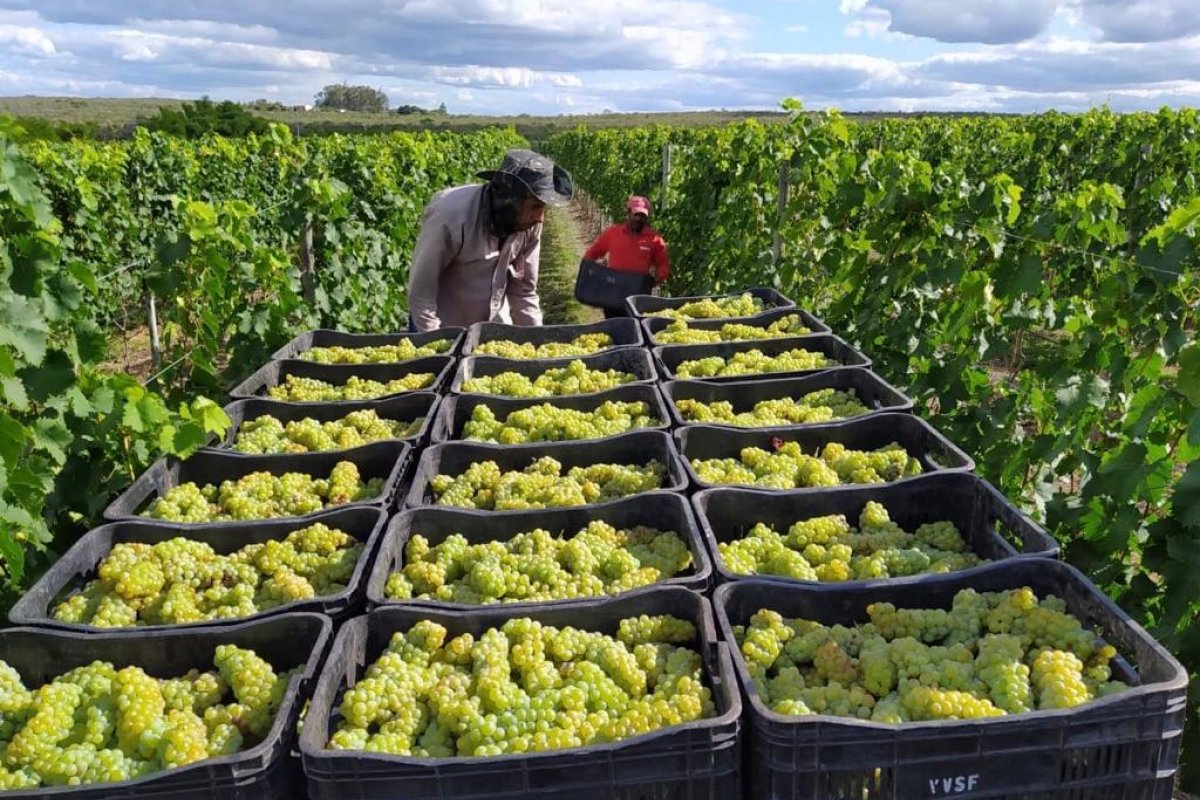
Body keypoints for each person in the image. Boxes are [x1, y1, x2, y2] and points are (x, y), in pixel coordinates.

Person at [407, 148, 574, 331]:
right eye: (536, 206)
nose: (540, 217)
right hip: (442, 326)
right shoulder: (451, 215)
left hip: (490, 329)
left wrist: (537, 343)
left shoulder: (529, 224)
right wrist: (435, 347)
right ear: (510, 200)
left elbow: (524, 291)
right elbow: (421, 294)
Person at [581, 195, 670, 318]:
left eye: (643, 216)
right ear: (628, 213)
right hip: (613, 291)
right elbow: (593, 252)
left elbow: (663, 265)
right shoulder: (613, 234)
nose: (639, 219)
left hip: (637, 295)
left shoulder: (655, 240)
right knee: (613, 325)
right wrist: (587, 271)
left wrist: (653, 281)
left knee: (635, 327)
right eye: (636, 214)